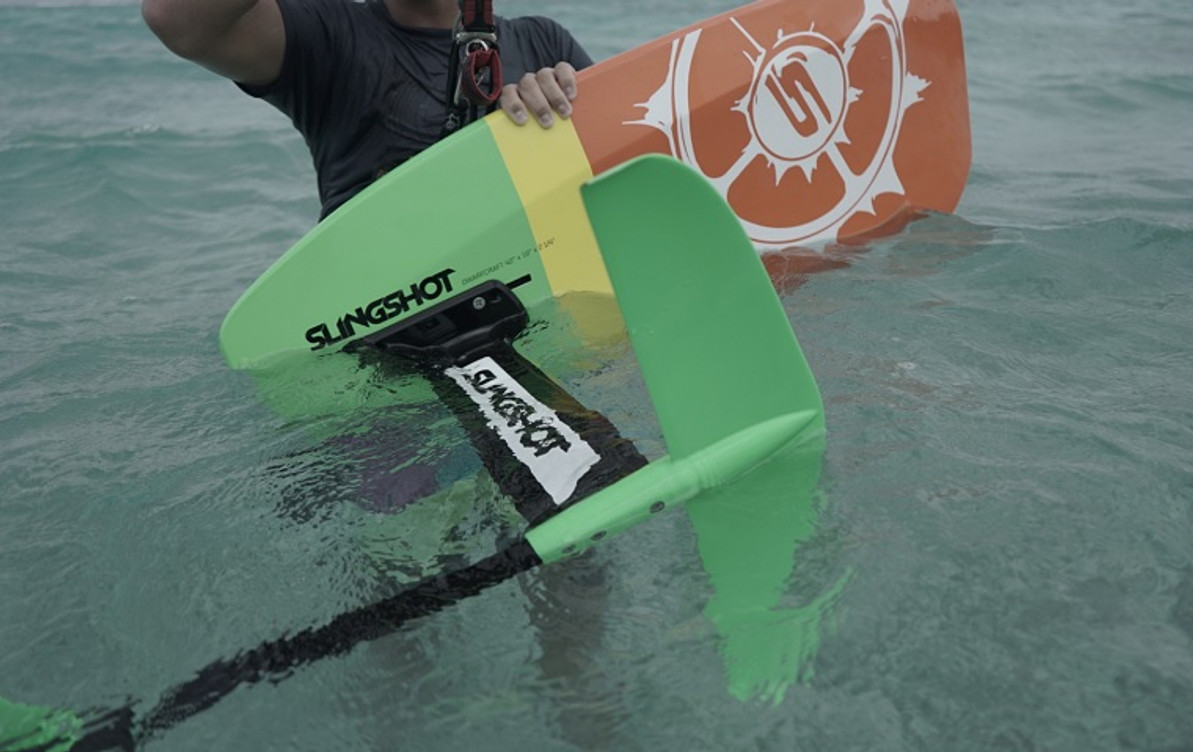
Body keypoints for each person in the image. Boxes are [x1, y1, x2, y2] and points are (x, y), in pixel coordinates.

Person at [141, 0, 593, 218]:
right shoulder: (326, 36)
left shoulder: (544, 42)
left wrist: (558, 110)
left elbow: (620, 176)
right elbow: (175, 18)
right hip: (393, 341)